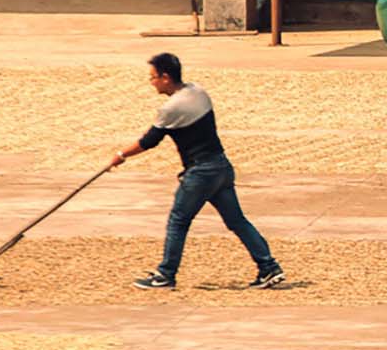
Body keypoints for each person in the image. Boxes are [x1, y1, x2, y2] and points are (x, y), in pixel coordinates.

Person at [110, 53, 285, 291]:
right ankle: (269, 267)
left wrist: (121, 156)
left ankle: (165, 274)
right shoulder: (198, 92)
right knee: (237, 221)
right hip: (221, 167)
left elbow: (149, 141)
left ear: (165, 77)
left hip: (200, 172)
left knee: (178, 221)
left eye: (153, 78)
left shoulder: (170, 109)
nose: (151, 82)